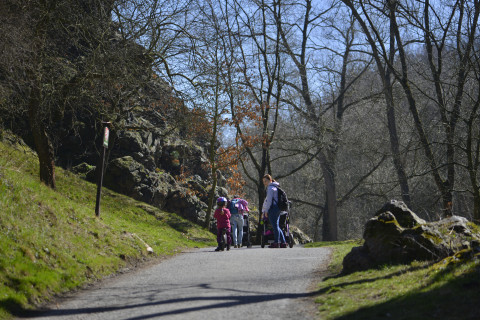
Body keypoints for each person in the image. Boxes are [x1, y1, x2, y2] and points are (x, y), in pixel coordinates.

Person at [262, 174, 287, 248]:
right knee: (277, 226)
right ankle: (283, 242)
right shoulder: (275, 187)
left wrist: (266, 210)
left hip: (273, 208)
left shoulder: (270, 188)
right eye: (263, 181)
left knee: (275, 226)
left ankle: (276, 242)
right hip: (278, 208)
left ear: (270, 180)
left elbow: (269, 201)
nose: (264, 183)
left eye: (265, 181)